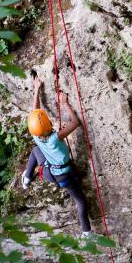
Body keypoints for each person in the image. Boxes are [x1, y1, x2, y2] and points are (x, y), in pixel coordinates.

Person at [21, 76, 93, 238]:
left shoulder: (36, 137)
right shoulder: (56, 137)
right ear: (48, 125)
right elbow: (75, 123)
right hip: (64, 174)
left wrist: (37, 89)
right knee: (80, 200)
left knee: (35, 151)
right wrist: (64, 103)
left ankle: (27, 178)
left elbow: (35, 114)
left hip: (50, 173)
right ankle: (87, 232)